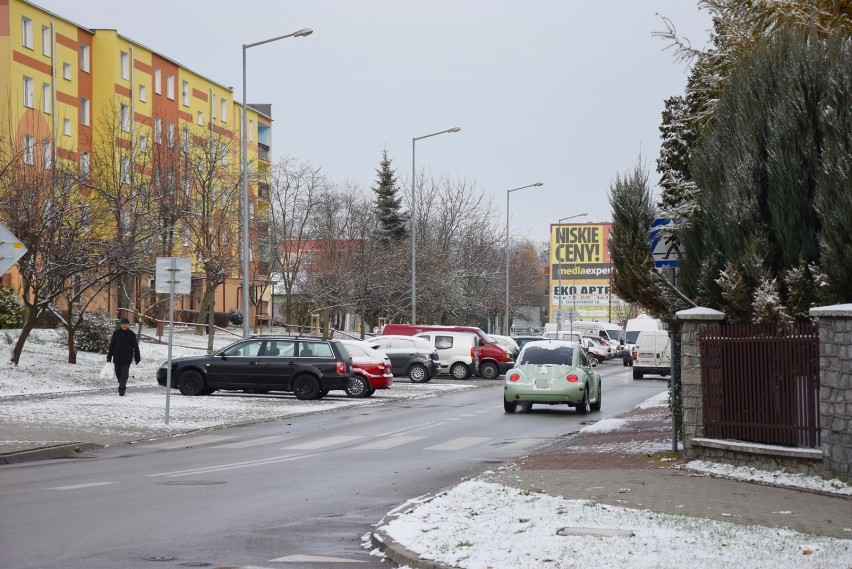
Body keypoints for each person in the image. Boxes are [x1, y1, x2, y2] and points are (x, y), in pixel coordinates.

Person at [107, 317, 141, 396]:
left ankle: (122, 390)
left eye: (126, 324)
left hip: (127, 359)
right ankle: (121, 385)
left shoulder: (131, 334)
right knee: (118, 374)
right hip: (117, 358)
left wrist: (137, 357)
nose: (124, 326)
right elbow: (112, 346)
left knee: (124, 374)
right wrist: (109, 356)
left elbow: (135, 347)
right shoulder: (116, 333)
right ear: (121, 325)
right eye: (123, 324)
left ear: (128, 325)